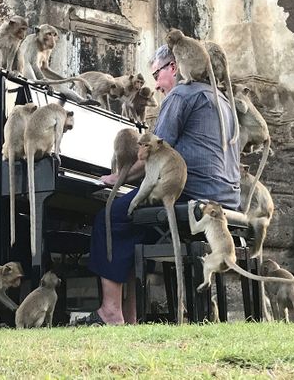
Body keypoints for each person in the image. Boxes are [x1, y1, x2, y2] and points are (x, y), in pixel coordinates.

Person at [80, 44, 240, 326]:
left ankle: (110, 311)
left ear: (174, 68)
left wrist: (118, 177)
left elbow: (154, 152)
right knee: (134, 224)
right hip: (226, 197)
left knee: (110, 216)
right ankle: (129, 314)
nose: (155, 84)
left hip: (193, 194)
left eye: (157, 73)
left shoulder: (182, 93)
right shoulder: (223, 101)